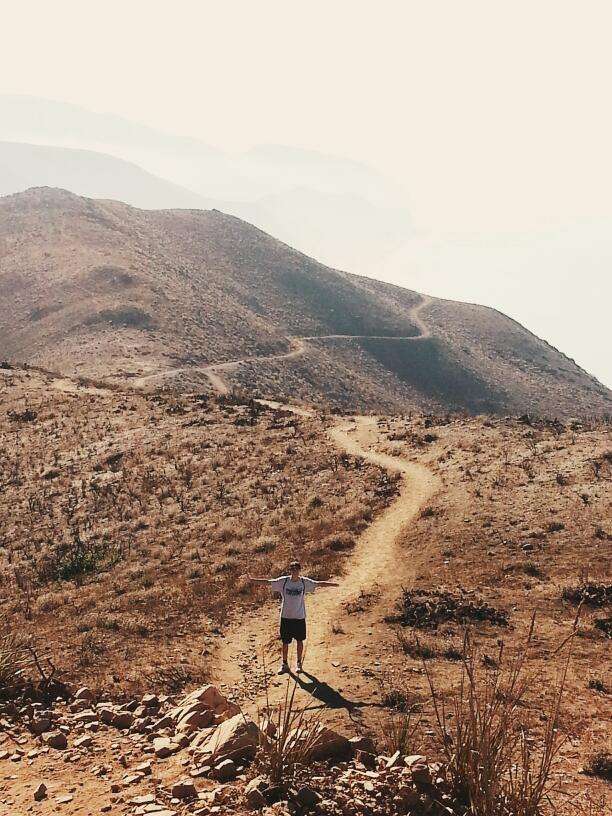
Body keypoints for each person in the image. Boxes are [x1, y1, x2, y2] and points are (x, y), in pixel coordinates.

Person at [244, 560, 339, 674]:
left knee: (300, 641)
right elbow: (268, 582)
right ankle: (284, 664)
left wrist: (332, 584)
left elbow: (317, 583)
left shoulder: (304, 582)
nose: (294, 571)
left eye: (296, 569)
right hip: (286, 617)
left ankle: (298, 664)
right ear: (290, 570)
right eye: (292, 569)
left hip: (299, 617)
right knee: (285, 642)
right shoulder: (283, 581)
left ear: (299, 570)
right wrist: (252, 580)